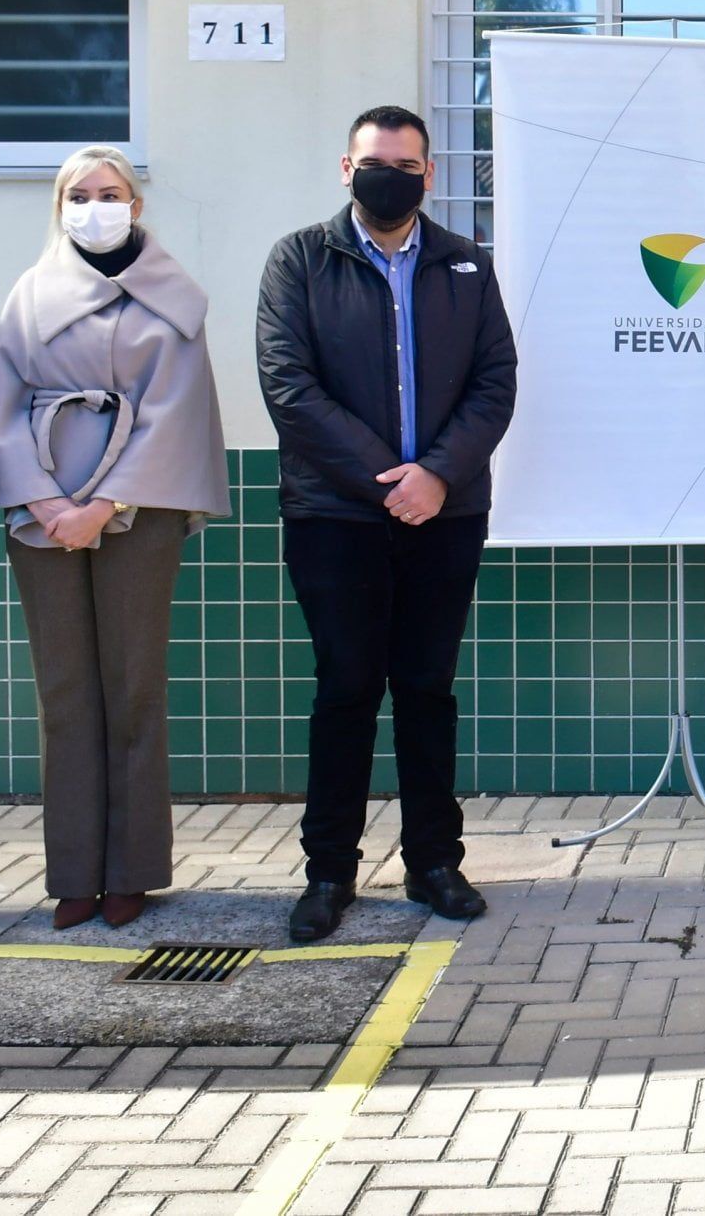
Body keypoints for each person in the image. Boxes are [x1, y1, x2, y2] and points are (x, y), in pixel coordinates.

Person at [257, 105, 517, 942]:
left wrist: (435, 476)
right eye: (375, 163)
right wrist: (387, 483)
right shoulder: (300, 259)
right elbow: (288, 384)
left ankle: (434, 861)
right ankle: (329, 872)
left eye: (407, 166)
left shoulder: (466, 264)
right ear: (347, 168)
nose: (390, 177)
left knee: (427, 689)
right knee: (346, 689)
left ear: (429, 175)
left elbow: (495, 380)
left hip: (445, 513)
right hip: (336, 516)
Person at [0, 147, 228, 931]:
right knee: (64, 692)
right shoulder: (29, 295)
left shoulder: (175, 299)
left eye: (110, 192)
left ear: (136, 203)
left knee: (133, 689)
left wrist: (105, 503)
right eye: (80, 194)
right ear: (61, 207)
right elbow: (5, 405)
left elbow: (175, 414)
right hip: (44, 514)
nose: (96, 206)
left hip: (139, 511)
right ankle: (73, 873)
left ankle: (133, 869)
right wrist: (46, 500)